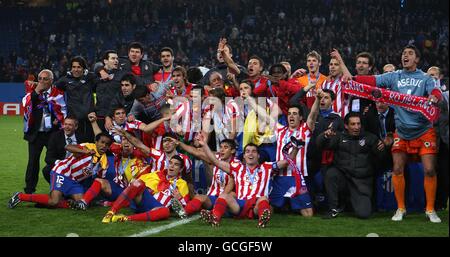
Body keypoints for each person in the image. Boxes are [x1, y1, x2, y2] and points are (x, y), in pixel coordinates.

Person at [341, 44, 443, 223]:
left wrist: (433, 97)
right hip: (401, 131)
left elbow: (436, 92)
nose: (405, 55)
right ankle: (400, 208)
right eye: (404, 53)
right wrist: (354, 78)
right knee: (397, 168)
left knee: (429, 170)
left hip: (424, 130)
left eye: (410, 53)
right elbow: (372, 81)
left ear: (417, 59)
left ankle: (430, 209)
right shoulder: (394, 76)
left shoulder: (425, 78)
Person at [198, 142, 294, 228]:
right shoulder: (237, 168)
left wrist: (296, 148)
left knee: (263, 199)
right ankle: (215, 218)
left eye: (253, 151)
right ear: (244, 156)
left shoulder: (267, 167)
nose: (250, 154)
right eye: (247, 151)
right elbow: (216, 162)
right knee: (224, 196)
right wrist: (205, 144)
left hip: (256, 206)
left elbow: (286, 162)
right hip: (240, 206)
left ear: (258, 155)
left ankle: (262, 219)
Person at [8, 132, 113, 209]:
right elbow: (68, 147)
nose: (104, 146)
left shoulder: (104, 162)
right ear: (96, 142)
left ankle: (49, 202)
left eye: (107, 144)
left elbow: (99, 180)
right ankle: (20, 196)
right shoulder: (88, 146)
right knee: (54, 201)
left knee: (81, 203)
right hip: (62, 172)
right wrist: (84, 151)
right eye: (102, 142)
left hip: (74, 181)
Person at [317, 112, 386, 219]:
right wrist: (325, 136)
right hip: (343, 178)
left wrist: (382, 148)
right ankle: (333, 209)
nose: (356, 127)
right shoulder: (339, 137)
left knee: (364, 214)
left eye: (358, 124)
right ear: (346, 125)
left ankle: (351, 202)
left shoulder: (370, 138)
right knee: (331, 173)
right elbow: (320, 145)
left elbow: (382, 157)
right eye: (353, 124)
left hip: (361, 182)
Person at [67, 136, 151, 211]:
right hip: (120, 188)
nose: (126, 142)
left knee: (135, 193)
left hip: (135, 190)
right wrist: (94, 122)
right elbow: (102, 140)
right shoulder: (118, 151)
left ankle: (110, 203)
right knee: (100, 181)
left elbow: (146, 152)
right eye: (124, 139)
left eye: (129, 140)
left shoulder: (141, 155)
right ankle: (83, 203)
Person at [22, 69, 66, 194]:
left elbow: (63, 110)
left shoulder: (57, 94)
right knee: (32, 162)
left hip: (52, 134)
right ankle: (29, 190)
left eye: (45, 79)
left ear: (51, 81)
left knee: (55, 160)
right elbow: (27, 104)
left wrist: (59, 120)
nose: (41, 81)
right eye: (40, 78)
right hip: (35, 134)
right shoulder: (32, 93)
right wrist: (36, 90)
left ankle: (58, 187)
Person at [170, 136, 239, 216]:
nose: (222, 150)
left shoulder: (236, 164)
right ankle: (184, 212)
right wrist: (179, 143)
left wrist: (221, 199)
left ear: (233, 150)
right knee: (199, 197)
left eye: (226, 147)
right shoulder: (216, 159)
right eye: (221, 147)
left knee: (231, 195)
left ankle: (216, 212)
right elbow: (196, 152)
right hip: (213, 196)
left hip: (227, 198)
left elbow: (231, 183)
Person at [54, 56, 96, 141]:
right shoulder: (65, 80)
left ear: (84, 68)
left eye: (79, 67)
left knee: (90, 146)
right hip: (73, 121)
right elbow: (52, 89)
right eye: (74, 67)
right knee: (75, 146)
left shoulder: (91, 78)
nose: (76, 70)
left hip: (89, 120)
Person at [42, 116, 86, 184]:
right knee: (46, 170)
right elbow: (48, 158)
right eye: (65, 124)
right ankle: (57, 188)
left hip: (77, 165)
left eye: (70, 125)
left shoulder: (82, 137)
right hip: (61, 164)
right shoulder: (55, 137)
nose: (67, 127)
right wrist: (61, 163)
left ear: (76, 127)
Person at [94, 50, 125, 132]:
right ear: (105, 61)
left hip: (114, 117)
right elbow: (95, 67)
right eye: (113, 58)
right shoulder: (96, 75)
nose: (116, 61)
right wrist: (100, 70)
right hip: (99, 116)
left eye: (117, 59)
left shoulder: (122, 75)